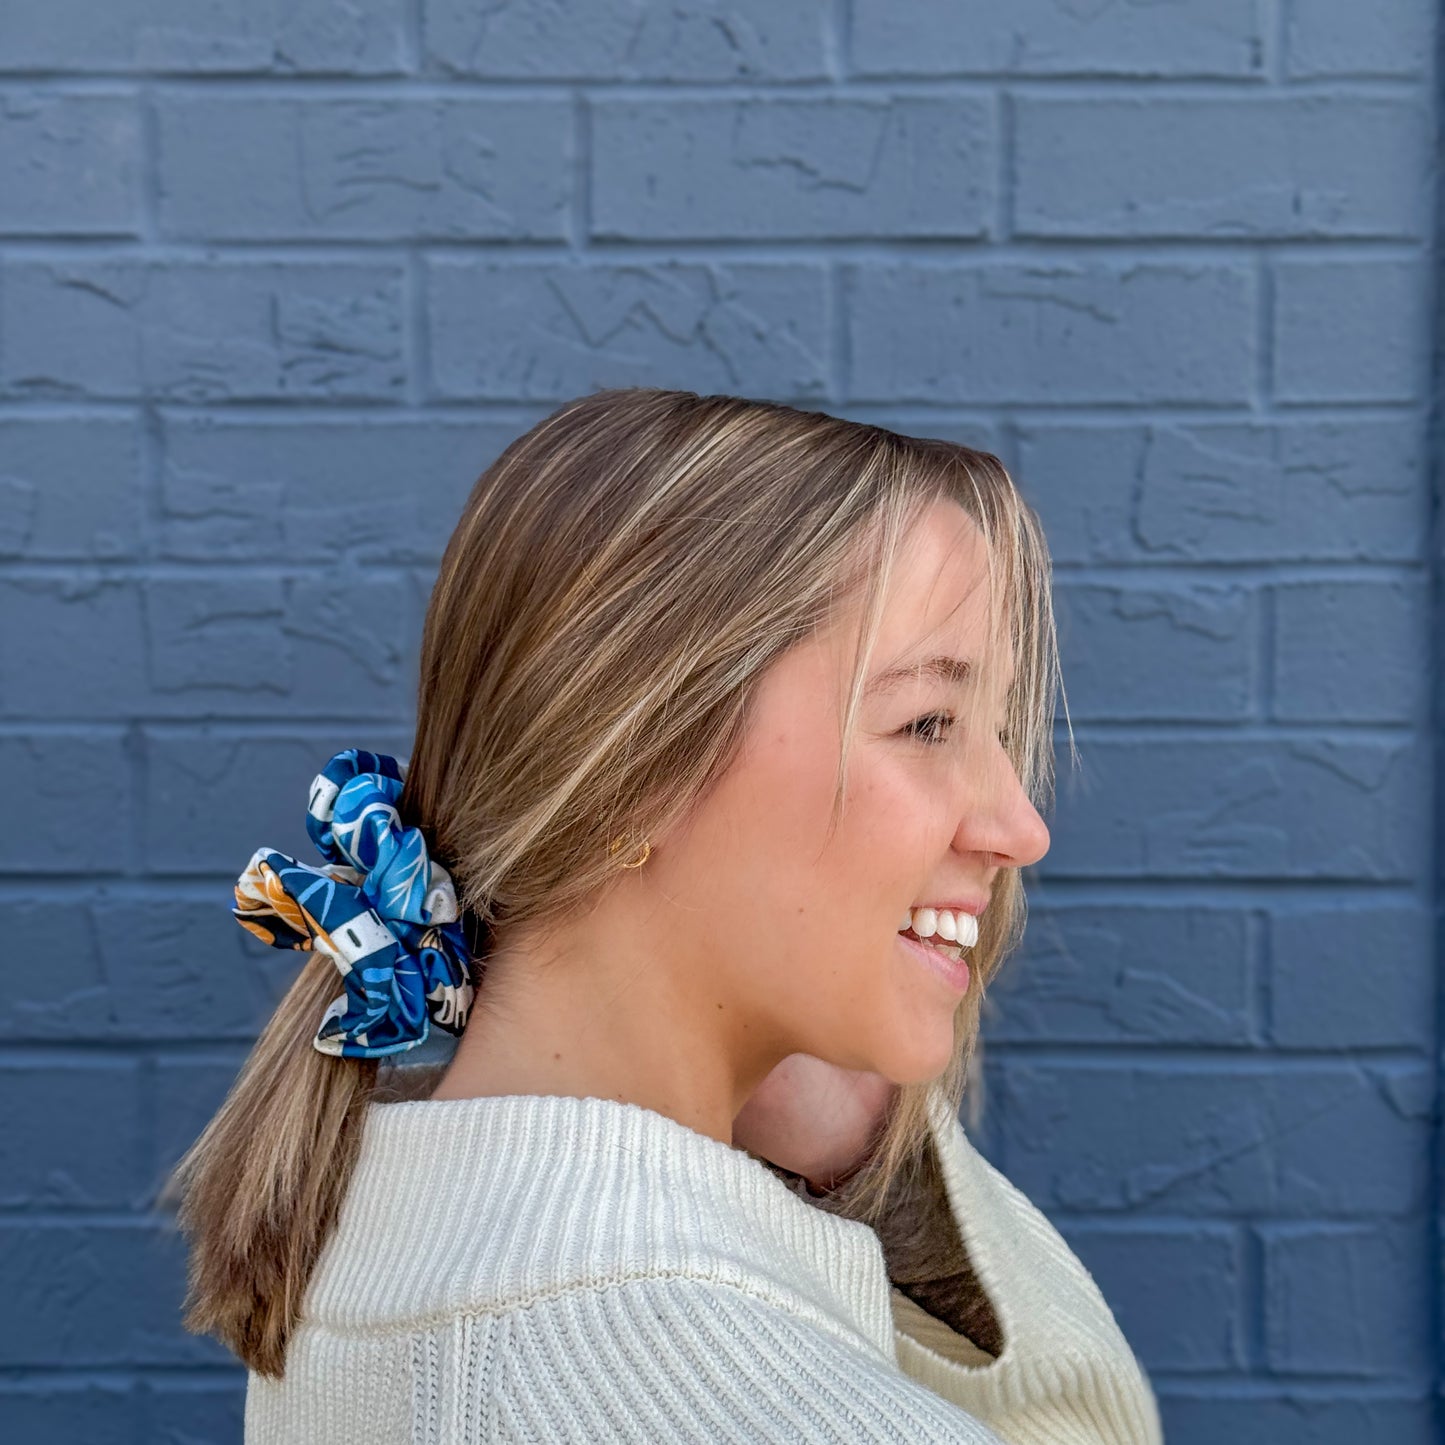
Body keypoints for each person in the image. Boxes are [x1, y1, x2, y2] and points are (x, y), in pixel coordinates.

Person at [162, 387, 1164, 1443]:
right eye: (927, 722)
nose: (1017, 826)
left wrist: (861, 1171)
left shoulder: (373, 1255)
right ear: (636, 769)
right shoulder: (739, 1393)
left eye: (993, 728)